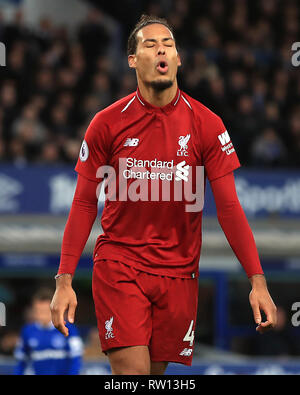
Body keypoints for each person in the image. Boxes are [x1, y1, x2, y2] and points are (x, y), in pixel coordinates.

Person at [50, 15, 277, 375]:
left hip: (178, 274)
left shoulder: (207, 124)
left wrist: (257, 281)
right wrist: (64, 280)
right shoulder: (106, 123)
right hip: (120, 265)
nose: (161, 50)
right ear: (132, 60)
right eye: (150, 44)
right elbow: (83, 203)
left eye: (168, 44)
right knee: (133, 375)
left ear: (178, 59)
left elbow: (230, 207)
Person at [14, 287, 83, 375]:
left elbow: (76, 359)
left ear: (53, 310)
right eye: (38, 311)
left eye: (45, 311)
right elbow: (21, 362)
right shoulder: (27, 331)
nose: (41, 315)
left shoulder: (68, 328)